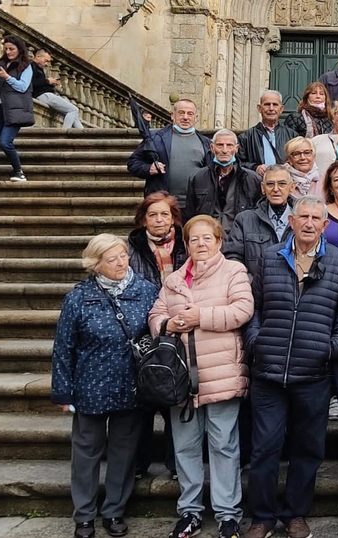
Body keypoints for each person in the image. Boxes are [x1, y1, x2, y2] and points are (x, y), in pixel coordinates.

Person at [243, 196, 338, 538]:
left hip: (314, 373)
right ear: (291, 221)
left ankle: (295, 514)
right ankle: (260, 517)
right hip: (269, 373)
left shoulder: (337, 261)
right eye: (302, 216)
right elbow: (254, 306)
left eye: (315, 218)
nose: (308, 223)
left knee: (308, 449)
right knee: (264, 448)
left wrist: (332, 346)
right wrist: (255, 340)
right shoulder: (269, 257)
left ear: (325, 225)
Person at [148, 215, 254, 538]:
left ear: (219, 242)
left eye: (207, 238)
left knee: (223, 445)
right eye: (194, 239)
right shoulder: (175, 279)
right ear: (187, 244)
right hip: (182, 380)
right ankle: (190, 512)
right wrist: (168, 325)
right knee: (185, 447)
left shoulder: (233, 271)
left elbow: (242, 310)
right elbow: (155, 315)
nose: (201, 244)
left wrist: (200, 317)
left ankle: (227, 514)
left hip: (221, 375)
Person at [52, 233, 158, 538]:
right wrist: (62, 391)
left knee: (124, 453)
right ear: (96, 265)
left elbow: (155, 334)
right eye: (112, 259)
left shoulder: (146, 291)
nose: (121, 263)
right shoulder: (79, 297)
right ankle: (84, 515)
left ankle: (114, 511)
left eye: (123, 255)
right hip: (90, 387)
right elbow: (63, 347)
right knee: (86, 453)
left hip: (131, 386)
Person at [127, 193, 184, 482]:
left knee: (174, 393)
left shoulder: (186, 244)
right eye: (153, 215)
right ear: (143, 219)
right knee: (143, 398)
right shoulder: (132, 247)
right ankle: (139, 462)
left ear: (173, 217)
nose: (159, 220)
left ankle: (175, 463)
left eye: (164, 214)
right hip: (141, 325)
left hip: (177, 325)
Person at [127, 98, 211, 205]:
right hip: (162, 204)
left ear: (196, 118)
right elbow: (133, 163)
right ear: (172, 115)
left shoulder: (206, 143)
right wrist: (148, 168)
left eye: (190, 114)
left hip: (194, 205)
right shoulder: (155, 139)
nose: (185, 117)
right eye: (181, 113)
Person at [223, 165, 296, 277]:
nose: (276, 189)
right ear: (263, 188)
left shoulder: (304, 219)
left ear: (292, 187)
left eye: (282, 184)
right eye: (270, 184)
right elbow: (233, 257)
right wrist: (249, 282)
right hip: (255, 290)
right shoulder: (244, 220)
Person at [184, 129, 261, 232]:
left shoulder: (252, 179)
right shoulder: (198, 177)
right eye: (220, 145)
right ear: (212, 147)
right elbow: (190, 215)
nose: (224, 150)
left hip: (239, 238)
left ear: (236, 148)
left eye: (229, 145)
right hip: (207, 237)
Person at [0, 34, 32, 182]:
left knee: (5, 142)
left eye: (11, 49)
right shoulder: (1, 63)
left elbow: (22, 87)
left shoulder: (26, 66)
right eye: (6, 49)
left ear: (19, 49)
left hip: (15, 112)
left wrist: (6, 76)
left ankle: (19, 172)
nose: (8, 52)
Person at [238, 91, 298, 177]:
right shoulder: (246, 137)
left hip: (285, 183)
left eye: (275, 105)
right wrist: (255, 167)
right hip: (257, 184)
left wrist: (289, 166)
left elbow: (299, 160)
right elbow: (238, 163)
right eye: (267, 104)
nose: (271, 108)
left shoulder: (292, 136)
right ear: (259, 108)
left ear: (281, 109)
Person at [31, 48, 82, 129]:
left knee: (73, 113)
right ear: (37, 57)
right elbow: (32, 83)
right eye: (46, 60)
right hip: (43, 95)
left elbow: (40, 83)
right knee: (73, 110)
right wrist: (47, 81)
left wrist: (51, 84)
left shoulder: (39, 68)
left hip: (45, 94)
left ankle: (83, 136)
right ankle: (64, 135)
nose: (47, 64)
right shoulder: (31, 66)